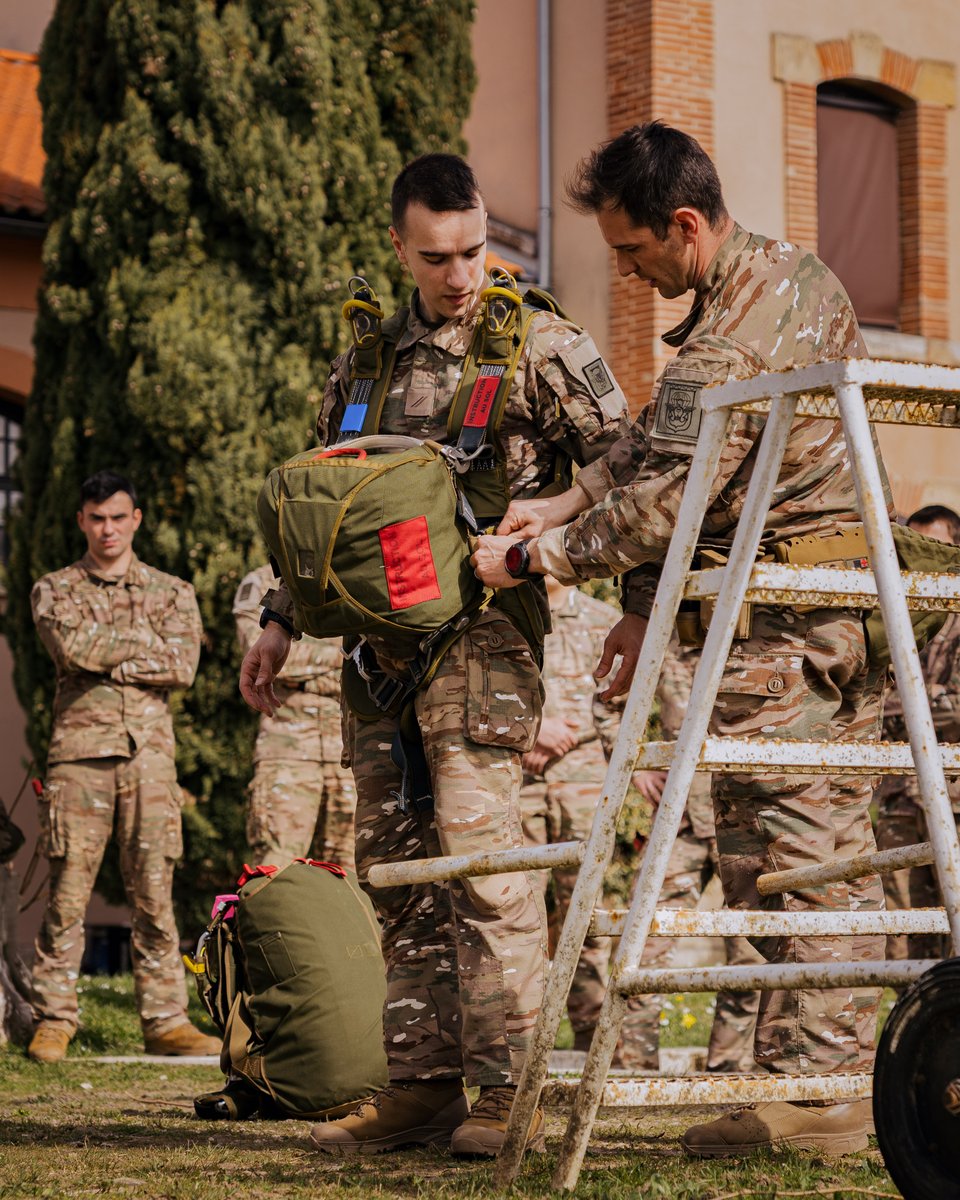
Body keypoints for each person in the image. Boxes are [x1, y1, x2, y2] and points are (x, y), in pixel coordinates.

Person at [473, 121, 889, 1156]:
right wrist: (564, 504)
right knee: (787, 853)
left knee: (799, 854)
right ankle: (816, 1084)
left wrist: (537, 560)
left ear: (685, 224)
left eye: (632, 251)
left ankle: (825, 1099)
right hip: (807, 615)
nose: (627, 268)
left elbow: (668, 500)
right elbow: (662, 444)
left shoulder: (726, 337)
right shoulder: (790, 281)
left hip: (782, 629)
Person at [240, 154, 631, 1156]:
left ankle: (511, 1098)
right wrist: (281, 619)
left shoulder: (542, 344)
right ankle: (421, 1089)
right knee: (400, 872)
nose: (459, 275)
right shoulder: (362, 366)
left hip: (487, 644)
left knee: (485, 869)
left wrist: (553, 522)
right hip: (377, 659)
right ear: (399, 247)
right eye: (435, 257)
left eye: (472, 251)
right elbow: (327, 513)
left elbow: (628, 460)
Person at [27, 470, 215, 1064]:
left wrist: (110, 655)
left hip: (151, 762)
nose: (107, 528)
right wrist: (143, 649)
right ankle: (54, 1018)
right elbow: (70, 649)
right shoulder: (53, 589)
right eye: (96, 518)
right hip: (79, 761)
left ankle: (166, 1021)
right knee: (67, 896)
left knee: (156, 894)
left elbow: (183, 665)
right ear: (82, 521)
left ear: (136, 519)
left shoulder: (173, 590)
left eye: (118, 517)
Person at [875, 505, 960, 962]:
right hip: (898, 799)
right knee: (903, 941)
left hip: (954, 801)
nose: (921, 556)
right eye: (912, 546)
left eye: (936, 547)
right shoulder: (892, 618)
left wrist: (907, 701)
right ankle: (916, 1033)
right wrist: (929, 696)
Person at [233, 563, 356, 869]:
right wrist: (342, 659)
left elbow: (373, 653)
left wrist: (310, 663)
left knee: (357, 873)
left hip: (351, 747)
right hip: (287, 749)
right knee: (277, 870)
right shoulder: (261, 582)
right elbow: (264, 658)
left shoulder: (349, 572)